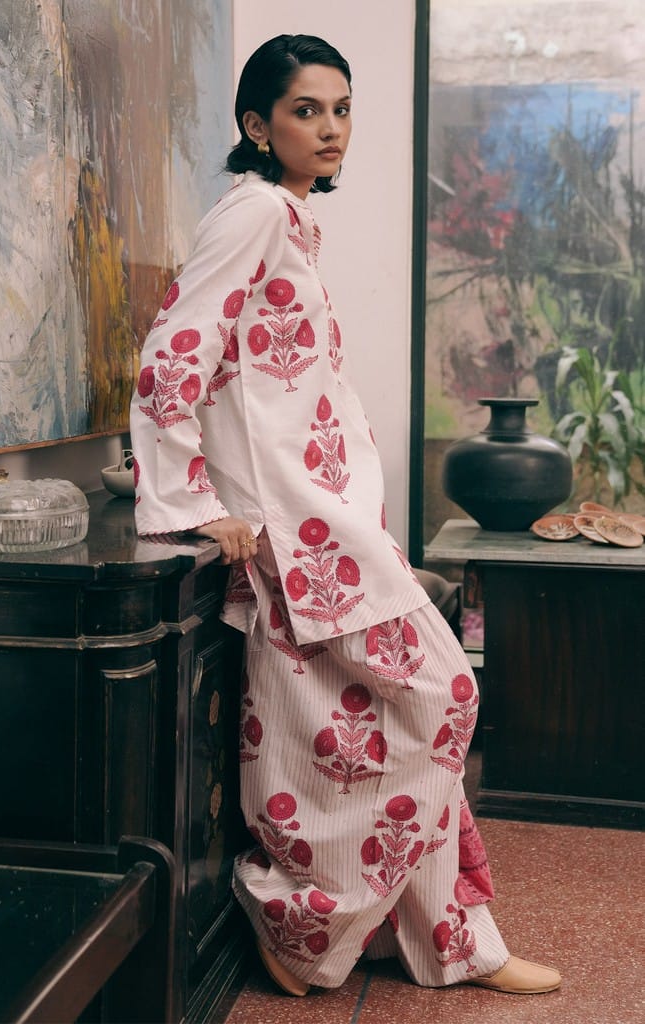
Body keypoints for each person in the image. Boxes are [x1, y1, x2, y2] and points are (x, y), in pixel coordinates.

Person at [130, 34, 561, 998]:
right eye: (305, 110)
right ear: (257, 125)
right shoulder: (252, 213)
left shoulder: (289, 216)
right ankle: (300, 919)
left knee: (332, 734)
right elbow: (172, 358)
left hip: (328, 521)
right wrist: (196, 503)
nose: (330, 129)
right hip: (294, 531)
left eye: (341, 109)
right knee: (442, 698)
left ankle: (449, 941)